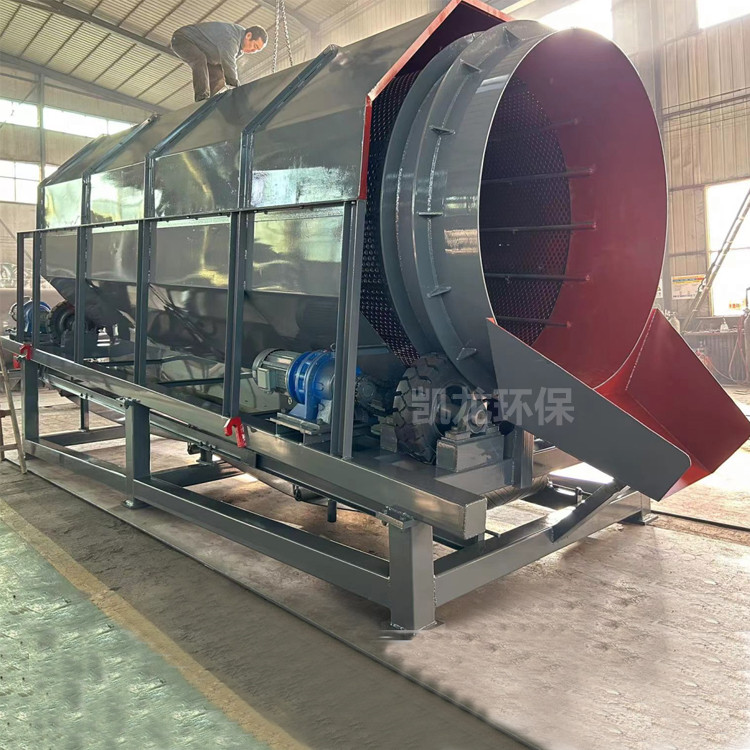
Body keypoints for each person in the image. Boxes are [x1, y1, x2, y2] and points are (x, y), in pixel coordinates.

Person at [171, 23, 268, 102]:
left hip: (205, 52)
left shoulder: (239, 48)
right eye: (254, 46)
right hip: (182, 39)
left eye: (257, 50)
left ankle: (212, 102)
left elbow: (224, 66)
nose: (253, 51)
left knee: (218, 74)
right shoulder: (231, 37)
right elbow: (228, 63)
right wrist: (236, 89)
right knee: (199, 60)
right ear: (248, 35)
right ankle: (201, 98)